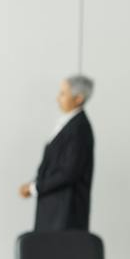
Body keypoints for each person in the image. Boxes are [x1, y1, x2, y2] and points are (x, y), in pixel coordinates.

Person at [19, 74, 96, 232]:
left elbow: (69, 172)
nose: (58, 98)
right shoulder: (70, 124)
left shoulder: (79, 128)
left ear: (78, 98)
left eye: (63, 94)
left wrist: (35, 187)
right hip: (54, 211)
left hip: (65, 214)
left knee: (60, 255)